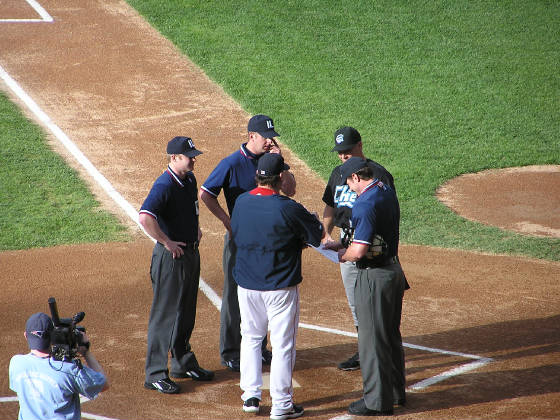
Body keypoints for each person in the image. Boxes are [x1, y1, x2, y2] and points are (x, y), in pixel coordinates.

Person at [199, 114, 296, 372]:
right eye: (266, 138)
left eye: (272, 137)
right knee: (234, 296)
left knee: (262, 292)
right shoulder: (231, 163)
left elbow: (291, 190)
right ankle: (231, 351)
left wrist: (281, 161)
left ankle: (259, 348)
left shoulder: (272, 161)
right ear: (251, 136)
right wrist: (225, 220)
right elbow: (205, 193)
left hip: (266, 241)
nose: (270, 141)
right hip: (239, 240)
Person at [231, 153, 324, 419]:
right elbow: (316, 236)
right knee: (282, 346)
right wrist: (310, 225)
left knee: (250, 337)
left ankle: (250, 396)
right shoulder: (288, 207)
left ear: (258, 176)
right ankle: (282, 405)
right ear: (280, 178)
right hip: (280, 288)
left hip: (247, 285)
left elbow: (239, 233)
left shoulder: (241, 202)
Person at [324, 157, 407, 415]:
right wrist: (341, 243)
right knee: (390, 335)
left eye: (349, 183)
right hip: (393, 272)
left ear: (357, 178)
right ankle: (395, 393)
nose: (349, 188)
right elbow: (371, 235)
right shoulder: (385, 190)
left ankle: (375, 402)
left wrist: (342, 255)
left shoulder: (364, 202)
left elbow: (359, 251)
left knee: (370, 341)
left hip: (374, 278)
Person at [139, 136, 214, 394]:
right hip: (171, 258)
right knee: (165, 315)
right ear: (174, 158)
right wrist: (166, 242)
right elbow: (145, 217)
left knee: (186, 311)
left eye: (193, 154)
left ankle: (182, 362)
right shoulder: (164, 185)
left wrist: (196, 229)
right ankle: (156, 373)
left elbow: (189, 209)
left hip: (191, 254)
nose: (194, 159)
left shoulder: (189, 179)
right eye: (189, 155)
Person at [321, 126, 397, 371]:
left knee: (373, 304)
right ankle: (365, 349)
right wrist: (326, 233)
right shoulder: (338, 173)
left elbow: (388, 213)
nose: (343, 156)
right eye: (340, 152)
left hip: (370, 244)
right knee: (357, 303)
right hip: (346, 239)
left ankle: (377, 352)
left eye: (348, 151)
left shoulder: (379, 175)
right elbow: (330, 205)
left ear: (360, 146)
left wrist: (352, 250)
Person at [9, 312, 109, 420]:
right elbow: (103, 385)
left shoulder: (16, 363)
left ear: (26, 336)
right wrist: (86, 352)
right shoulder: (68, 370)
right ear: (52, 336)